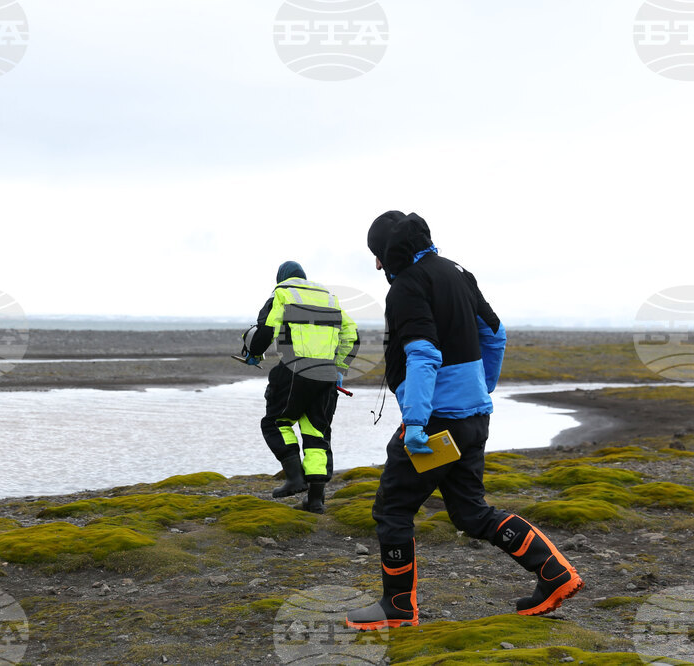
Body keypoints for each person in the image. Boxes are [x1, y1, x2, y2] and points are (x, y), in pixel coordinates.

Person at [345, 212, 583, 630]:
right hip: (473, 418)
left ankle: (398, 607)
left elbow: (422, 354)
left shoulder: (407, 286)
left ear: (388, 251)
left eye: (377, 256)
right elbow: (496, 334)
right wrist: (481, 387)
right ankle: (554, 573)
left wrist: (416, 424)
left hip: (436, 423)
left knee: (393, 507)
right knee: (471, 512)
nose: (378, 266)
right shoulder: (458, 272)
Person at [244, 261, 359, 514]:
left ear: (281, 278)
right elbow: (352, 336)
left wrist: (253, 353)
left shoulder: (282, 293)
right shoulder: (330, 299)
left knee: (276, 422)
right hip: (327, 374)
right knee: (317, 433)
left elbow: (266, 329)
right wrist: (339, 368)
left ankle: (295, 478)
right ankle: (315, 499)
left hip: (295, 370)